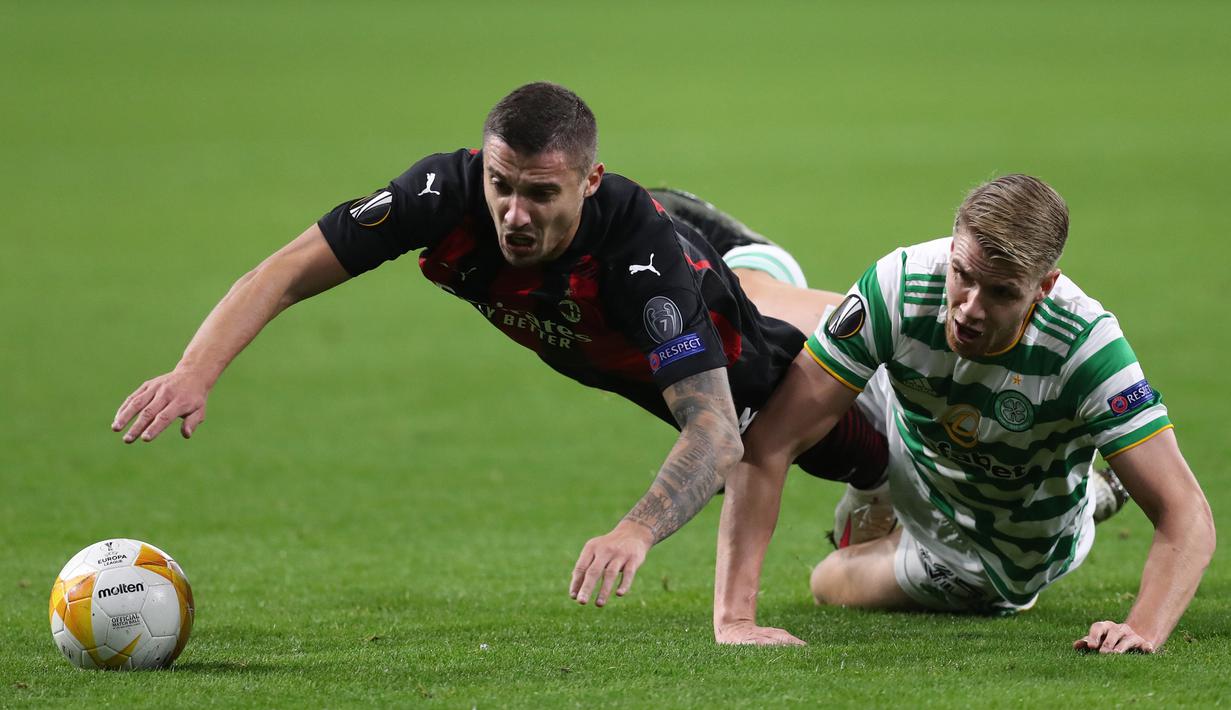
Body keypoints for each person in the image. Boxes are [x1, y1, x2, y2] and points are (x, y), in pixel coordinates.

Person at [111, 82, 888, 609]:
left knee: (844, 444)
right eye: (502, 184)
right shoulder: (444, 194)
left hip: (727, 307)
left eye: (540, 193)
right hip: (686, 260)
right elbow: (284, 270)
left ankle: (887, 407)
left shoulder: (637, 265)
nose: (513, 213)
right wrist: (194, 371)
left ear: (587, 182)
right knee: (738, 318)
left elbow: (715, 431)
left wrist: (635, 528)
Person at [713, 175, 1215, 652]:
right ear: (953, 247)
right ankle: (733, 260)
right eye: (963, 276)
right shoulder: (902, 282)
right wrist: (735, 619)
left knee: (827, 581)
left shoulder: (1087, 347)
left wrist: (1140, 629)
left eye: (1000, 293)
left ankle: (1079, 507)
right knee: (784, 352)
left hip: (991, 552)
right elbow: (771, 441)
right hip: (918, 424)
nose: (970, 308)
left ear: (1044, 287)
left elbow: (1186, 513)